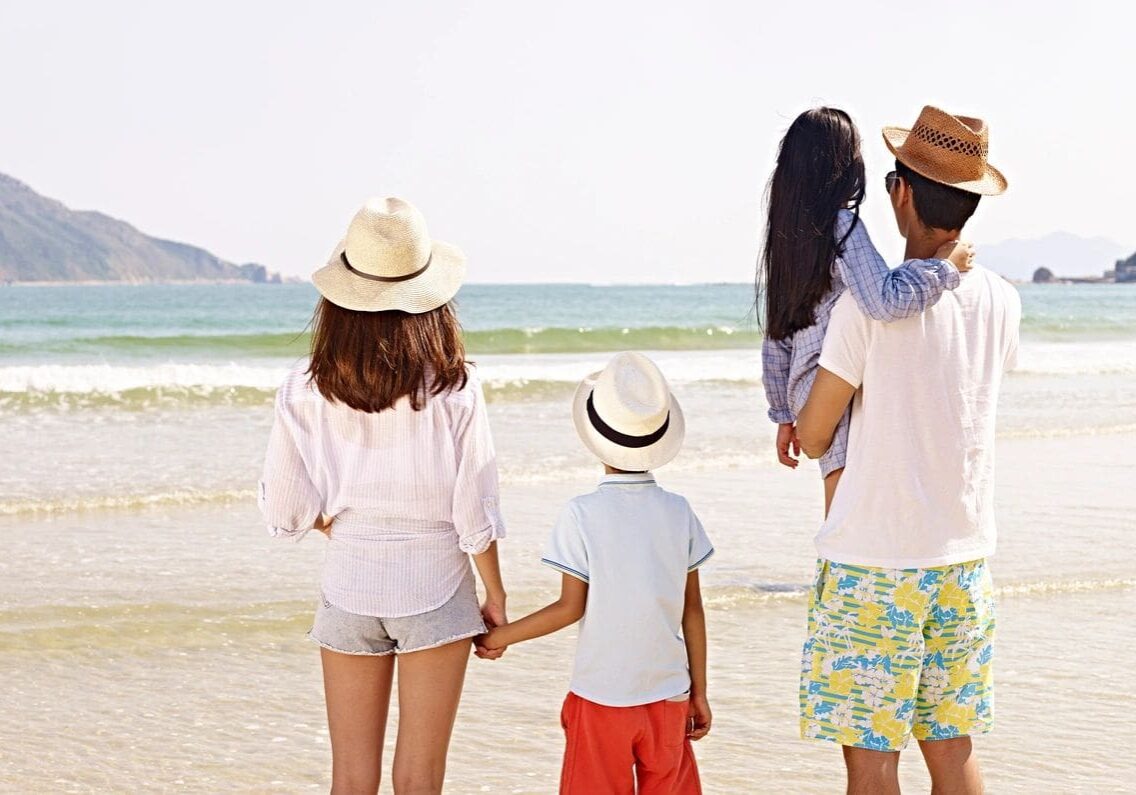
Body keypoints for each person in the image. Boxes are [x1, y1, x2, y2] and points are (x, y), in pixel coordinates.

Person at [794, 106, 1020, 795]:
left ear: (899, 193)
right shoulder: (1003, 300)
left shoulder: (866, 308)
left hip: (874, 565)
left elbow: (812, 433)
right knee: (952, 750)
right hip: (962, 559)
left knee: (871, 762)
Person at [257, 197, 507, 795]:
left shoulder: (303, 387)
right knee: (420, 779)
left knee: (350, 778)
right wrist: (494, 594)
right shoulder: (457, 385)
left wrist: (334, 520)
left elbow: (285, 513)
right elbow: (474, 508)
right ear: (430, 300)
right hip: (438, 590)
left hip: (349, 589)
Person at [476, 352, 713, 794]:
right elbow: (693, 610)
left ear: (595, 439)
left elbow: (570, 608)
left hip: (603, 696)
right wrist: (699, 691)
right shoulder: (678, 511)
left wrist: (495, 638)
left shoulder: (582, 513)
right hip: (669, 694)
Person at [760, 107, 974, 512]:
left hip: (806, 389)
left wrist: (784, 413)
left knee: (837, 499)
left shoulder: (785, 237)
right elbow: (883, 301)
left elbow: (776, 336)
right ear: (844, 165)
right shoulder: (841, 224)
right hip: (833, 380)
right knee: (848, 505)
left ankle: (835, 567)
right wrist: (945, 269)